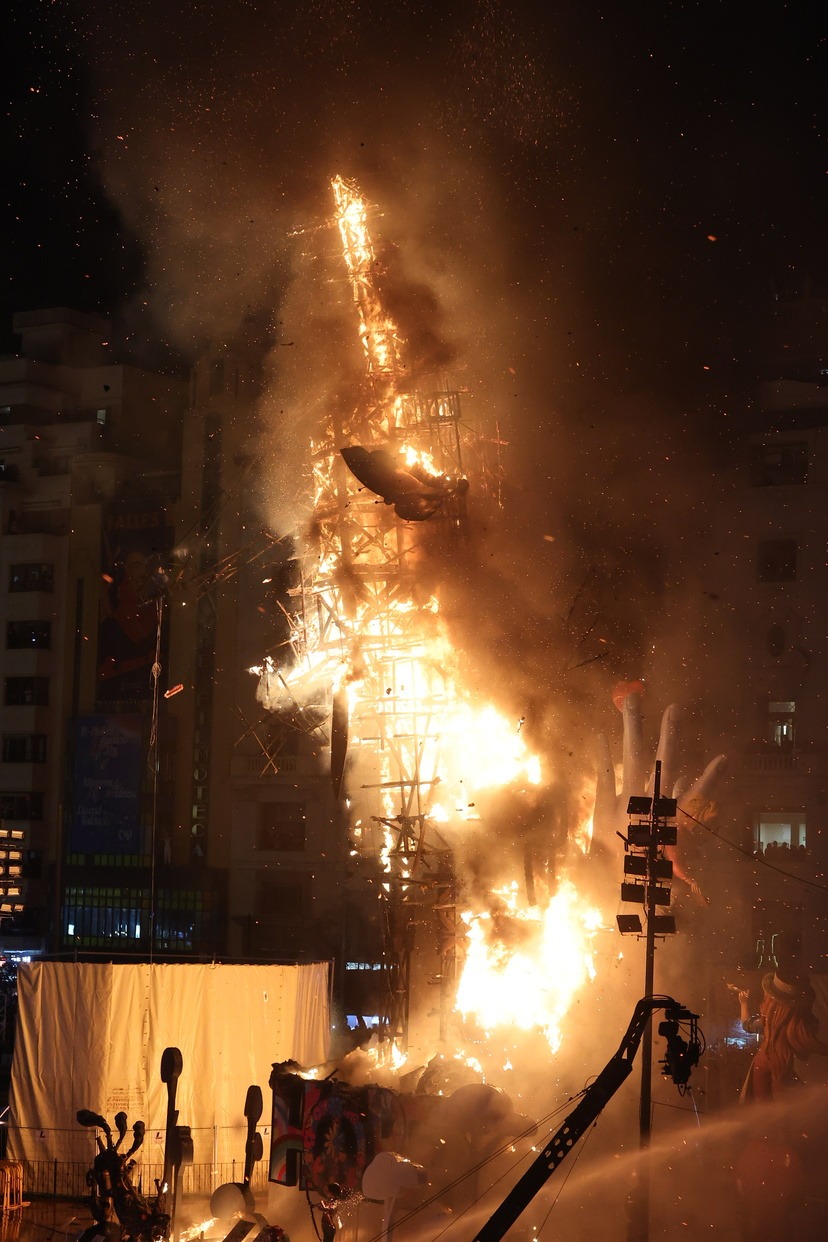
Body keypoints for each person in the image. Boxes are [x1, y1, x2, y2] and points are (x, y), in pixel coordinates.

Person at [737, 966, 828, 1101]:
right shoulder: (804, 1036)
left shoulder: (768, 1027)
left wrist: (743, 1003)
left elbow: (746, 1024)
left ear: (772, 1003)